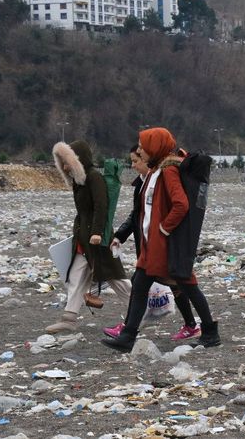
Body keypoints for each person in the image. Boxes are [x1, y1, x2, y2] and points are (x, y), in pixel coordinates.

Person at [101, 127, 220, 353]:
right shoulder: (156, 170)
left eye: (143, 146)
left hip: (163, 245)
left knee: (187, 285)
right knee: (140, 286)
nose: (140, 150)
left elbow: (181, 204)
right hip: (151, 244)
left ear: (155, 147)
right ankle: (127, 337)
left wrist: (164, 229)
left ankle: (211, 332)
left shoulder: (168, 171)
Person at [106, 147, 200, 342]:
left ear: (146, 158)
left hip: (159, 245)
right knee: (156, 284)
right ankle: (130, 331)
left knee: (175, 284)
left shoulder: (159, 178)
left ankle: (202, 326)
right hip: (150, 244)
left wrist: (163, 230)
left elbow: (177, 206)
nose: (133, 165)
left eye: (135, 160)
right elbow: (137, 215)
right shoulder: (143, 182)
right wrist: (120, 236)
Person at [47, 141, 132, 334]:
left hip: (97, 239)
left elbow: (101, 206)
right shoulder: (79, 181)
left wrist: (97, 232)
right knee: (76, 277)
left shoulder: (94, 178)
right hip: (83, 239)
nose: (65, 167)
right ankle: (69, 318)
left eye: (67, 162)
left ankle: (139, 310)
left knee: (117, 279)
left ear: (78, 160)